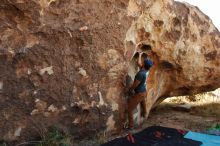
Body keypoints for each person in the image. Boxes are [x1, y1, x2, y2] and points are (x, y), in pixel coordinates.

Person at [127, 51, 153, 129]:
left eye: (144, 62)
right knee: (143, 102)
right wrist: (140, 54)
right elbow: (139, 63)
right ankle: (144, 113)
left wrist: (130, 89)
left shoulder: (140, 74)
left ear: (144, 65)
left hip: (139, 93)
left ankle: (130, 126)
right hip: (144, 91)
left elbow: (135, 84)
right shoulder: (146, 70)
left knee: (129, 109)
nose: (142, 62)